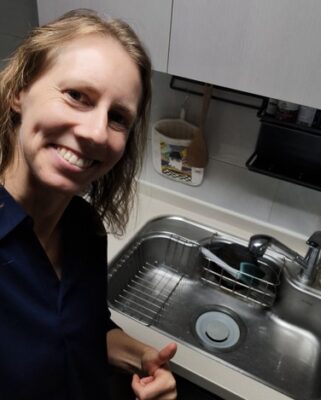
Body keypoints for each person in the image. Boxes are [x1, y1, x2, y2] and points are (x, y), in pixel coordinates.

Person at [0, 8, 177, 400]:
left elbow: (79, 327)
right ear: (19, 92)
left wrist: (141, 357)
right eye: (77, 96)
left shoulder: (83, 225)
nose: (97, 133)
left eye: (117, 118)